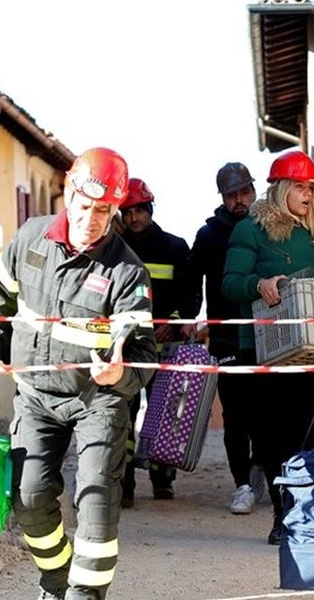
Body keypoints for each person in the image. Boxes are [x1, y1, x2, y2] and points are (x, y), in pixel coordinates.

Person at [0, 147, 157, 600]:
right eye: (84, 205)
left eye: (103, 211)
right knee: (30, 499)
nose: (91, 219)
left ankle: (85, 595)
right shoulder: (30, 239)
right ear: (67, 191)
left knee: (95, 501)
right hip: (35, 395)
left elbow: (145, 355)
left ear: (114, 210)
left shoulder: (128, 272)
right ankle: (55, 580)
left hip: (98, 400)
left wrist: (121, 375)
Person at [221, 150, 314, 544]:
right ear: (283, 188)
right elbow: (230, 282)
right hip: (265, 351)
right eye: (301, 187)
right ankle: (282, 515)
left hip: (312, 348)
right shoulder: (250, 230)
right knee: (274, 438)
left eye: (311, 188)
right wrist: (259, 284)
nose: (307, 195)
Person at [182, 161, 264, 515]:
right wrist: (185, 318)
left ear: (254, 191)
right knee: (235, 414)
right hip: (227, 339)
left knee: (267, 412)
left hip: (265, 337)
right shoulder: (210, 235)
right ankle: (242, 484)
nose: (239, 200)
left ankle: (263, 467)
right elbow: (190, 279)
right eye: (232, 195)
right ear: (223, 198)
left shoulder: (267, 226)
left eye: (244, 192)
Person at [119, 177, 195, 504]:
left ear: (150, 210)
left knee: (165, 413)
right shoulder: (116, 250)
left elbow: (191, 295)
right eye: (127, 212)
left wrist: (174, 323)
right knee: (122, 412)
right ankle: (123, 484)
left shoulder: (175, 248)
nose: (134, 218)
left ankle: (162, 479)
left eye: (139, 210)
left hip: (166, 346)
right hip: (127, 347)